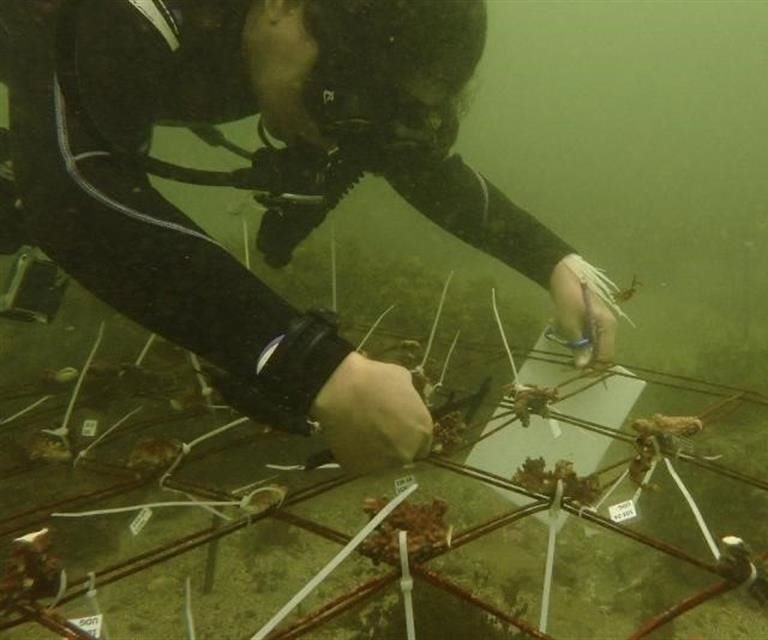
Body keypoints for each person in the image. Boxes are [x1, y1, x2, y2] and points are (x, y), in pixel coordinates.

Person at [0, 0, 619, 473]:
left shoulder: (305, 39)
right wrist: (318, 368)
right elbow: (69, 193)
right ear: (282, 7)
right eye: (339, 99)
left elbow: (402, 154)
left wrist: (553, 260)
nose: (335, 136)